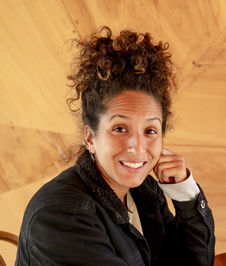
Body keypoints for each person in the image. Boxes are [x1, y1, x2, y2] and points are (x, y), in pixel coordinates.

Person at [15, 26, 215, 266]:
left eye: (150, 131)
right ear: (90, 138)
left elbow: (194, 262)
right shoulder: (59, 214)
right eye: (120, 129)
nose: (138, 146)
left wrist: (185, 193)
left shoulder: (145, 192)